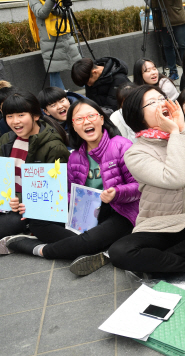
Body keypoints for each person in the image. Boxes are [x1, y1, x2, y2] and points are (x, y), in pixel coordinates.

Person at [3, 98, 140, 276]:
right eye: (79, 119)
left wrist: (117, 192)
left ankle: (39, 249)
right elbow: (68, 194)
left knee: (88, 240)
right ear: (73, 126)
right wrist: (43, 204)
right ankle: (95, 247)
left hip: (121, 211)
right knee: (37, 221)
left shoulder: (122, 145)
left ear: (101, 119)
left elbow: (140, 187)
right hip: (87, 212)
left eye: (91, 116)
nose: (87, 122)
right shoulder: (75, 157)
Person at [107, 85, 185, 273]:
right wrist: (176, 135)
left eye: (162, 98)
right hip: (160, 223)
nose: (162, 103)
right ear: (138, 116)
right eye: (152, 103)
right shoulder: (135, 153)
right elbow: (175, 179)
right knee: (120, 252)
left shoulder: (184, 133)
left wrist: (183, 128)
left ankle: (162, 262)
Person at [0, 90, 69, 247]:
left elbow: (54, 191)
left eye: (21, 115)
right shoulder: (6, 139)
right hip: (6, 202)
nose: (14, 121)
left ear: (36, 116)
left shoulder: (54, 146)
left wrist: (21, 201)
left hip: (29, 210)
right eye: (9, 116)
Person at [28, 0, 81, 90]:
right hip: (49, 40)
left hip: (65, 35)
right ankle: (59, 97)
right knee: (54, 70)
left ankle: (90, 89)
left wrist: (59, 9)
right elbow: (41, 13)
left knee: (78, 65)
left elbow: (66, 13)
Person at [151, 0, 185, 80]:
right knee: (167, 45)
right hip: (160, 17)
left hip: (176, 16)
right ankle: (173, 71)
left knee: (183, 45)